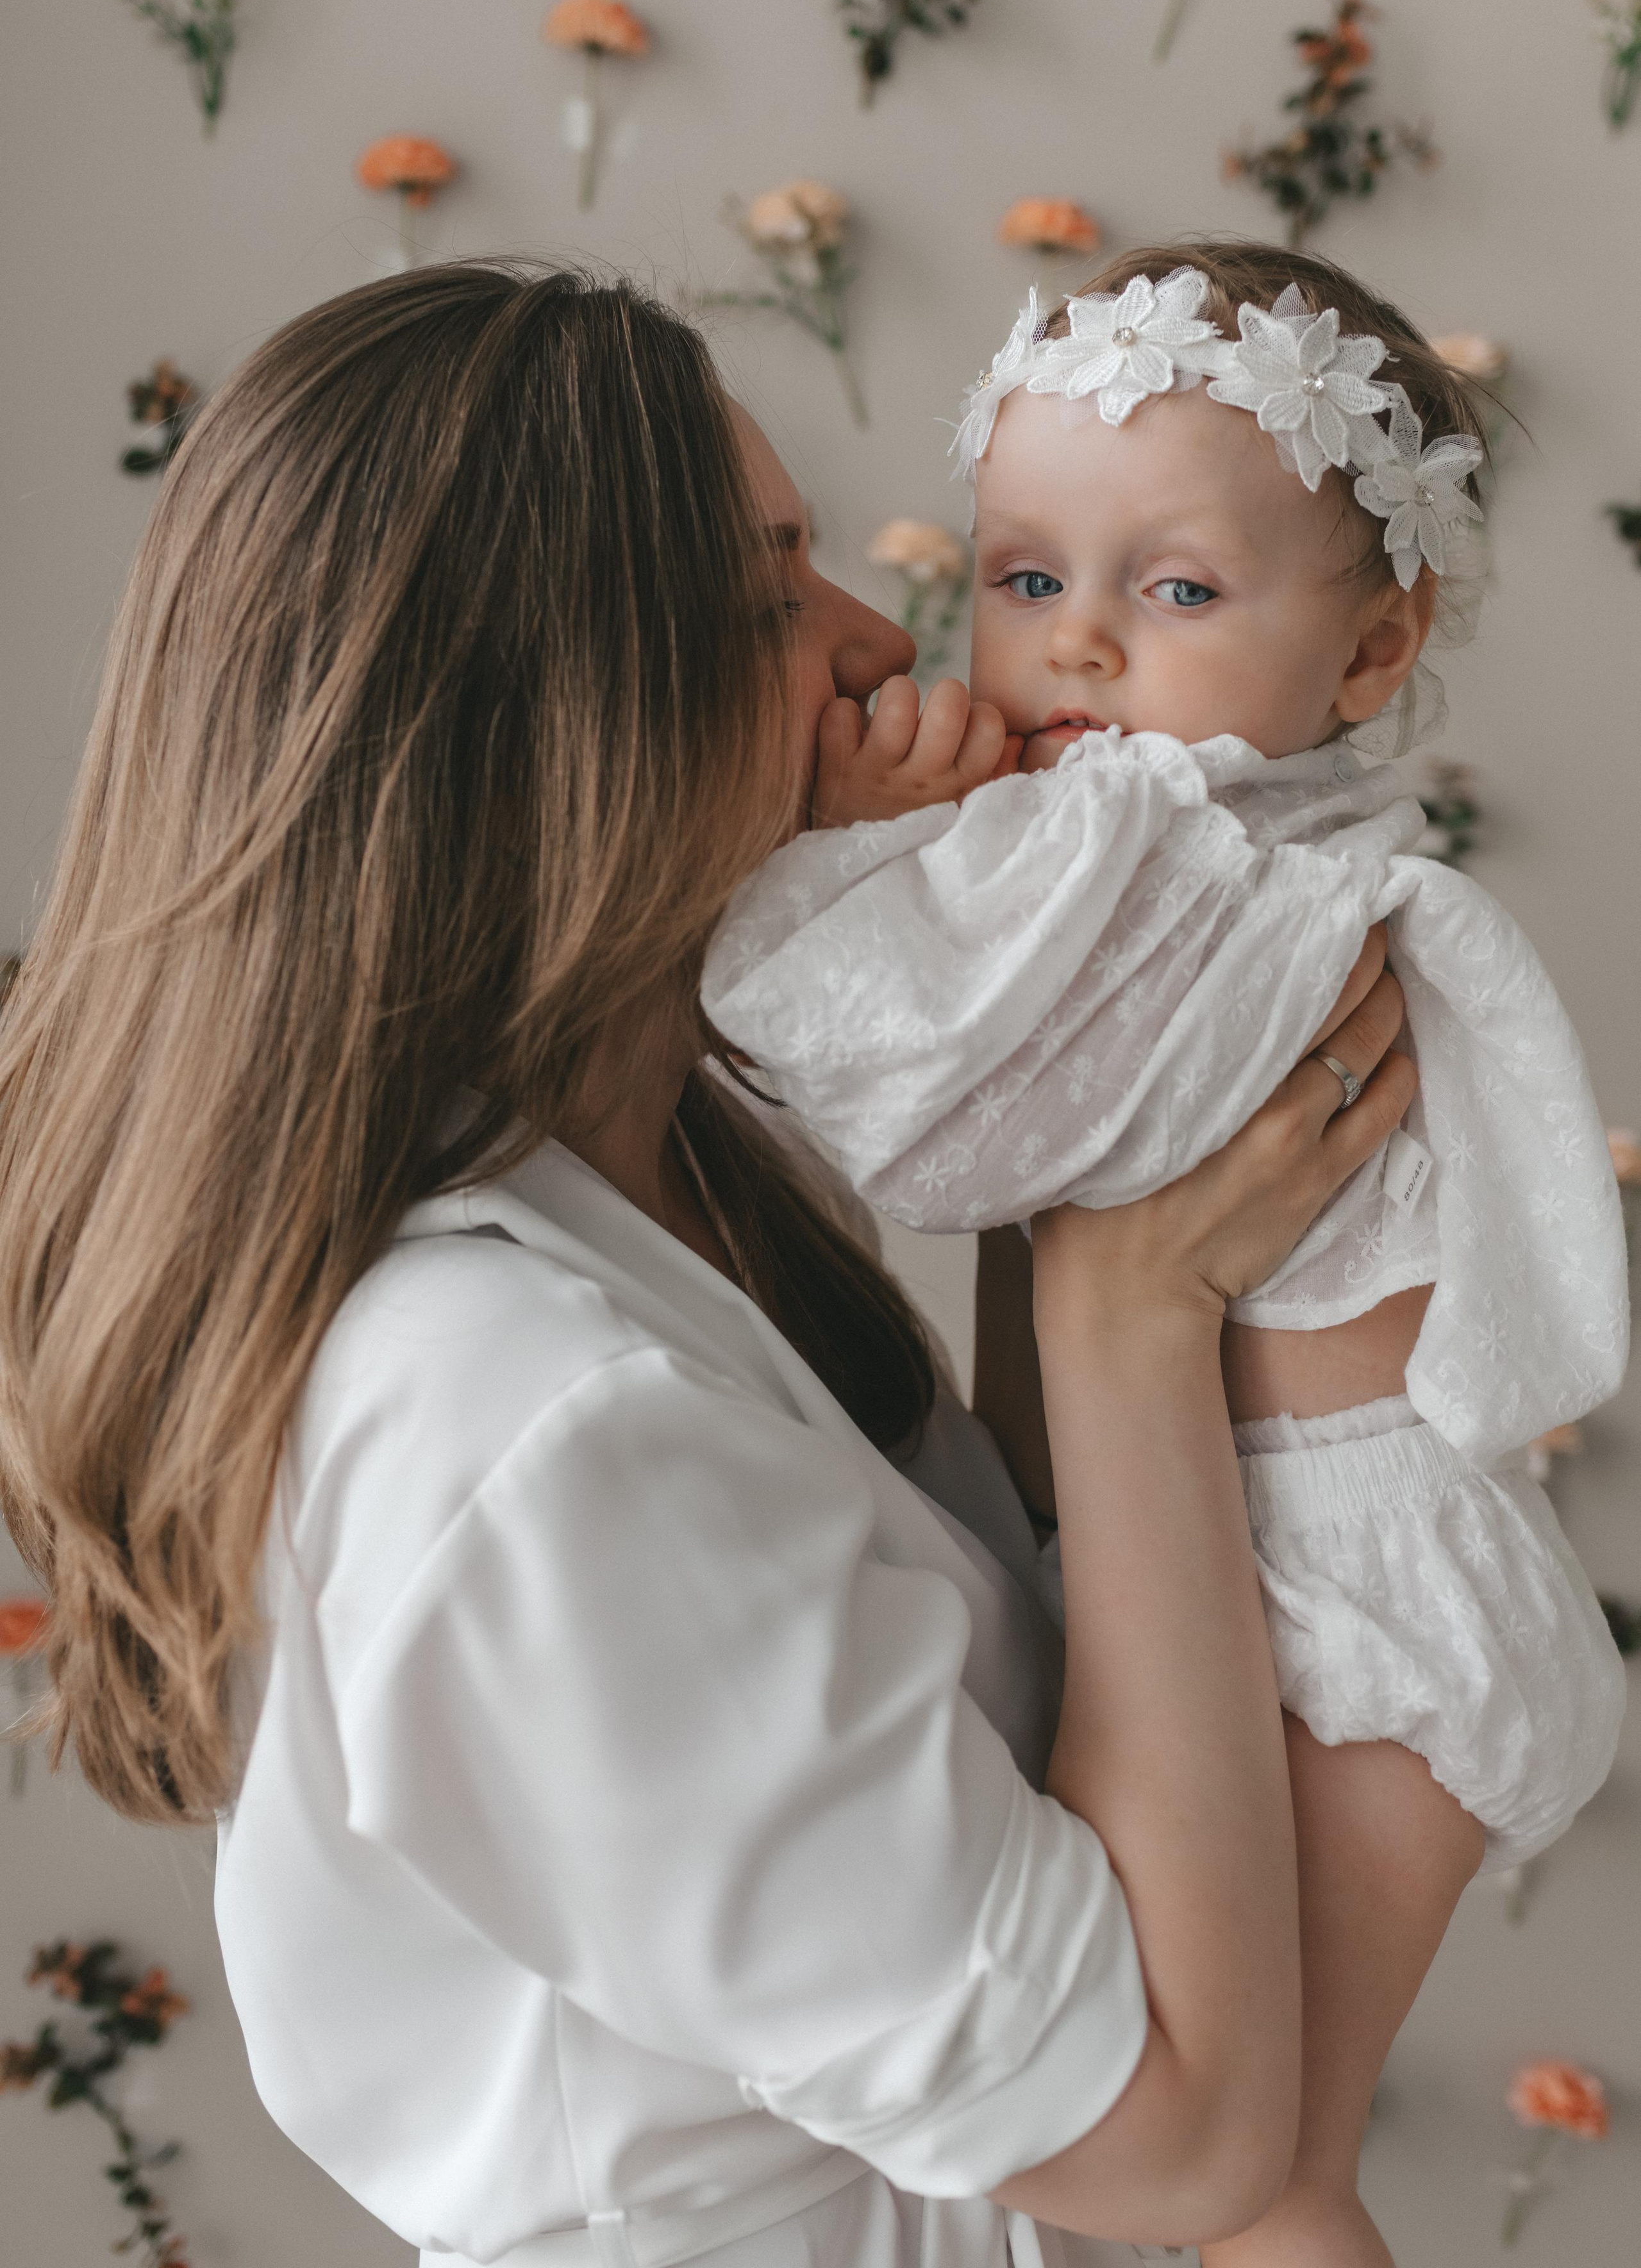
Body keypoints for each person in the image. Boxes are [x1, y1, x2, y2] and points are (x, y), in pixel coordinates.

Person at [0, 263, 1412, 2268]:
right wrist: (1128, 1308)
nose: (873, 645)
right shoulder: (519, 1410)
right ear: (548, 726)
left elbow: (1071, 1661)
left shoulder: (683, 1201)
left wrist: (1060, 1106)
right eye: (767, 602)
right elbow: (1176, 2139)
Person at [703, 242, 1628, 2268]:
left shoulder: (1195, 875)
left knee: (1260, 2189)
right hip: (1304, 1576)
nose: (1081, 653)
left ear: (1373, 653)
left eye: (1178, 591)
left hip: (1341, 1616)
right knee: (1245, 2185)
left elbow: (918, 1112)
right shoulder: (1202, 847)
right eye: (1028, 580)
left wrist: (836, 851)